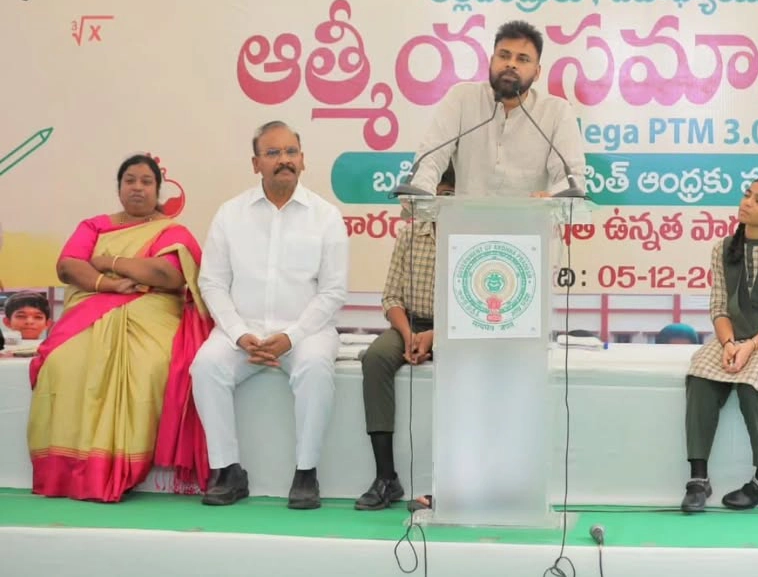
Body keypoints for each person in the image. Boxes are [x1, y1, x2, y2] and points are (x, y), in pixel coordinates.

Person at [27, 154, 213, 502]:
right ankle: (68, 469)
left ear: (158, 190)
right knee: (61, 365)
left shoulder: (172, 232)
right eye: (130, 180)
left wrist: (110, 261)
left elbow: (167, 275)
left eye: (146, 181)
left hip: (152, 317)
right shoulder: (94, 226)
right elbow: (68, 266)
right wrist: (106, 282)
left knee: (147, 367)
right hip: (92, 309)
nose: (138, 187)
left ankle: (118, 466)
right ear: (119, 187)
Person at [191, 121, 348, 510]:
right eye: (273, 153)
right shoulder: (230, 214)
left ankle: (306, 472)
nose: (284, 161)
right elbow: (211, 283)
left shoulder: (327, 217)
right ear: (255, 163)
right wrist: (241, 334)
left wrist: (291, 337)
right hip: (242, 332)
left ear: (303, 160)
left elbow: (332, 292)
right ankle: (227, 470)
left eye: (291, 152)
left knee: (314, 368)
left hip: (306, 333)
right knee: (206, 366)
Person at [681, 178, 758, 513]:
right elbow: (719, 308)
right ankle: (698, 478)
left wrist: (749, 348)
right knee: (700, 376)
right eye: (747, 194)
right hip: (731, 335)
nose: (747, 202)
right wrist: (729, 343)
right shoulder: (722, 249)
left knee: (752, 382)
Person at [355, 166, 455, 511]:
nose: (439, 204)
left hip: (454, 329)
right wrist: (411, 334)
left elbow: (476, 309)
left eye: (447, 196)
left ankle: (451, 482)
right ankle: (386, 478)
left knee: (464, 364)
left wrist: (434, 336)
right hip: (408, 325)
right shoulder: (410, 234)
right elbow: (391, 297)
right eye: (433, 196)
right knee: (375, 358)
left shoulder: (472, 237)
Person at [408, 20, 586, 198]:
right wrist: (420, 193)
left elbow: (572, 179)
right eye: (504, 56)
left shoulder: (557, 111)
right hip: (466, 223)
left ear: (537, 72)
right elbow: (430, 157)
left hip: (531, 224)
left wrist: (551, 198)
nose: (511, 64)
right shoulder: (462, 98)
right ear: (492, 61)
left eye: (522, 59)